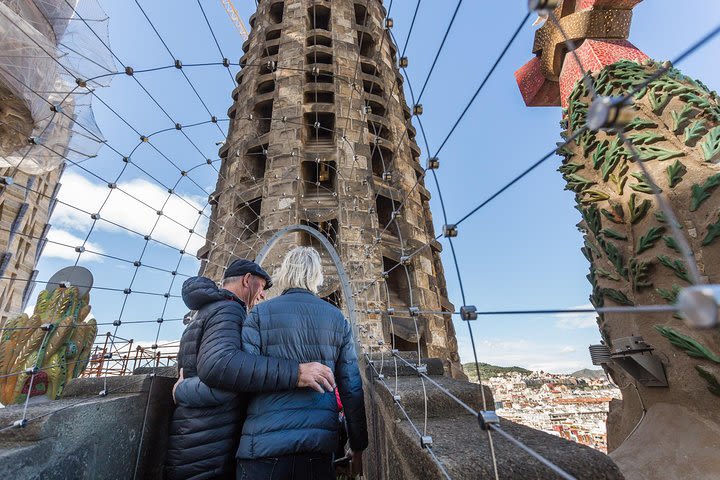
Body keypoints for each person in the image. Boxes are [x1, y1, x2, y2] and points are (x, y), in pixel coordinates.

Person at [164, 258, 336, 480]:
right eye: (262, 287)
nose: (263, 295)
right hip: (209, 445)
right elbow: (222, 370)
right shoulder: (230, 310)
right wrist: (297, 372)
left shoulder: (204, 312)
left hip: (193, 437)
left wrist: (183, 389)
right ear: (247, 280)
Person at [236, 247, 368, 480]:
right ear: (317, 277)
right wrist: (358, 447)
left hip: (262, 445)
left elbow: (246, 375)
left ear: (285, 272)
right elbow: (351, 388)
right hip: (317, 447)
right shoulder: (337, 318)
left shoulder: (258, 315)